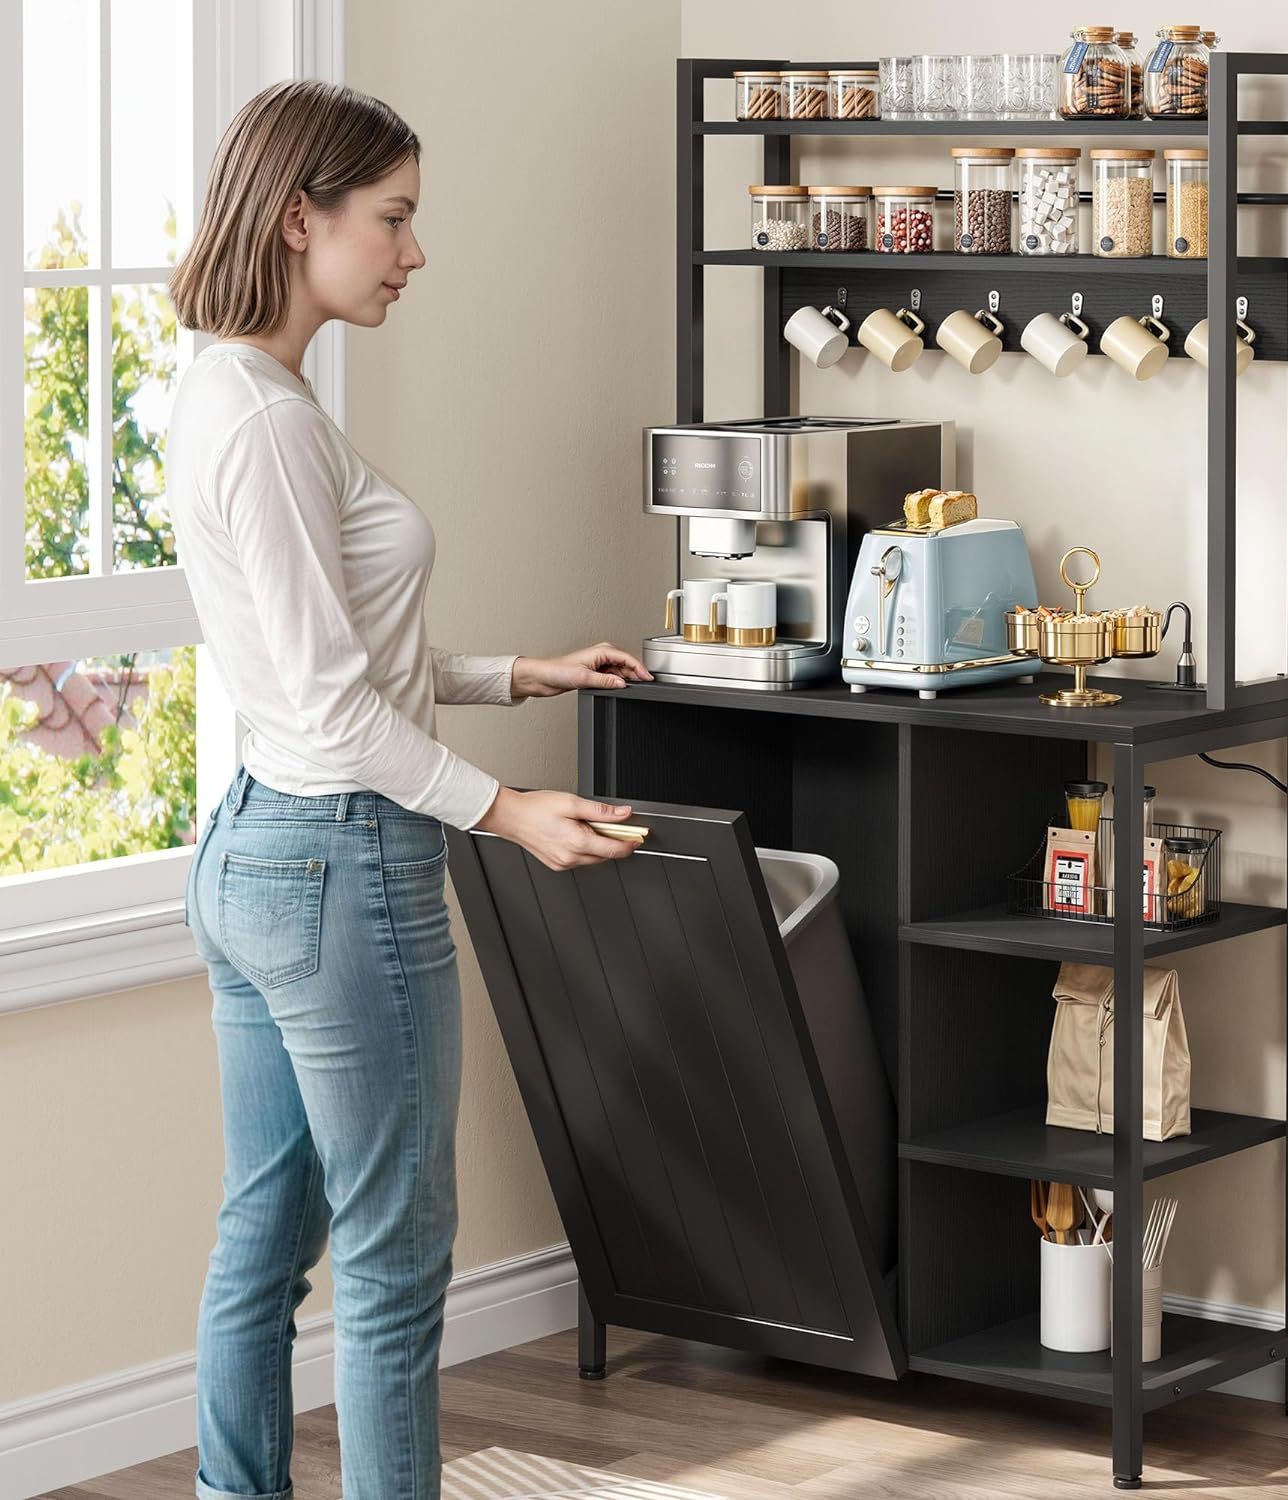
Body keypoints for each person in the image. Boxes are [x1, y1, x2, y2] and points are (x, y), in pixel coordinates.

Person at [165, 78, 649, 1500]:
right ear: (297, 215)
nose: (412, 253)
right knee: (392, 1256)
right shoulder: (266, 422)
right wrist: (507, 810)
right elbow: (329, 706)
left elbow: (332, 662)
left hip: (256, 854)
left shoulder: (230, 390)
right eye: (393, 219)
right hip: (339, 865)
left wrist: (517, 672)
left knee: (267, 1233)